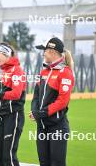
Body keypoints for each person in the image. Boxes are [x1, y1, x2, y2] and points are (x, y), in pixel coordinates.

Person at [29, 37, 74, 166]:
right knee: (44, 163)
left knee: (57, 163)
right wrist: (34, 111)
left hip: (58, 127)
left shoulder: (65, 72)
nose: (43, 54)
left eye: (45, 51)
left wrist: (40, 113)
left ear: (53, 52)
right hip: (41, 126)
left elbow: (62, 102)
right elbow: (36, 96)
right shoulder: (43, 71)